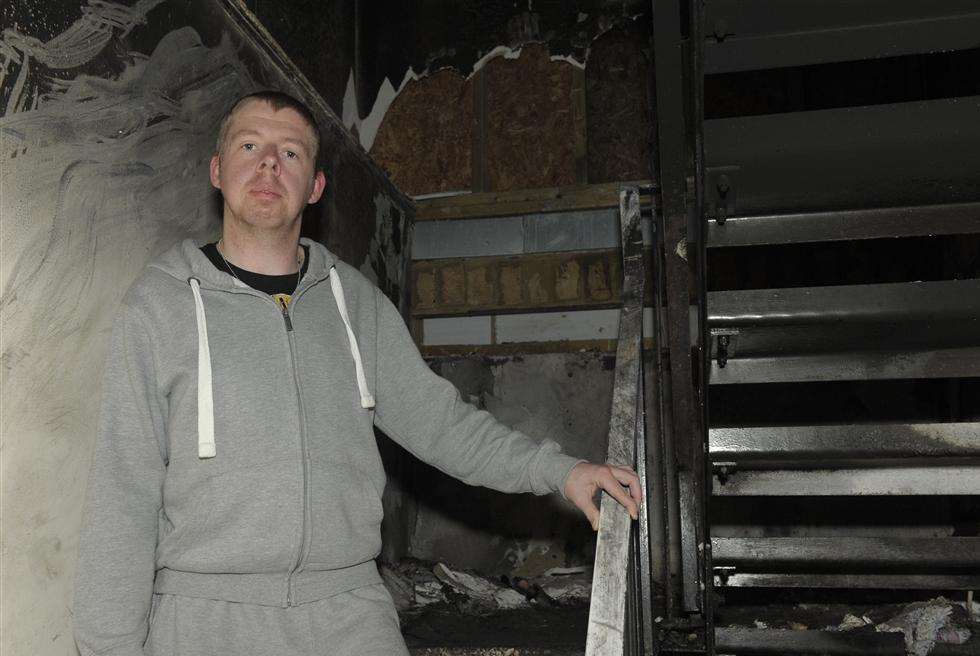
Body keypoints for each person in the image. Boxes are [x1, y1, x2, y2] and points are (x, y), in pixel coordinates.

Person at [73, 90, 642, 656]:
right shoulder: (159, 305)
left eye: (291, 152)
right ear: (218, 172)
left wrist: (560, 471)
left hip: (346, 614)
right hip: (204, 621)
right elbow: (124, 492)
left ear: (315, 188)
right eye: (250, 145)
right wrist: (108, 646)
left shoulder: (358, 304)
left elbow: (442, 425)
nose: (269, 162)